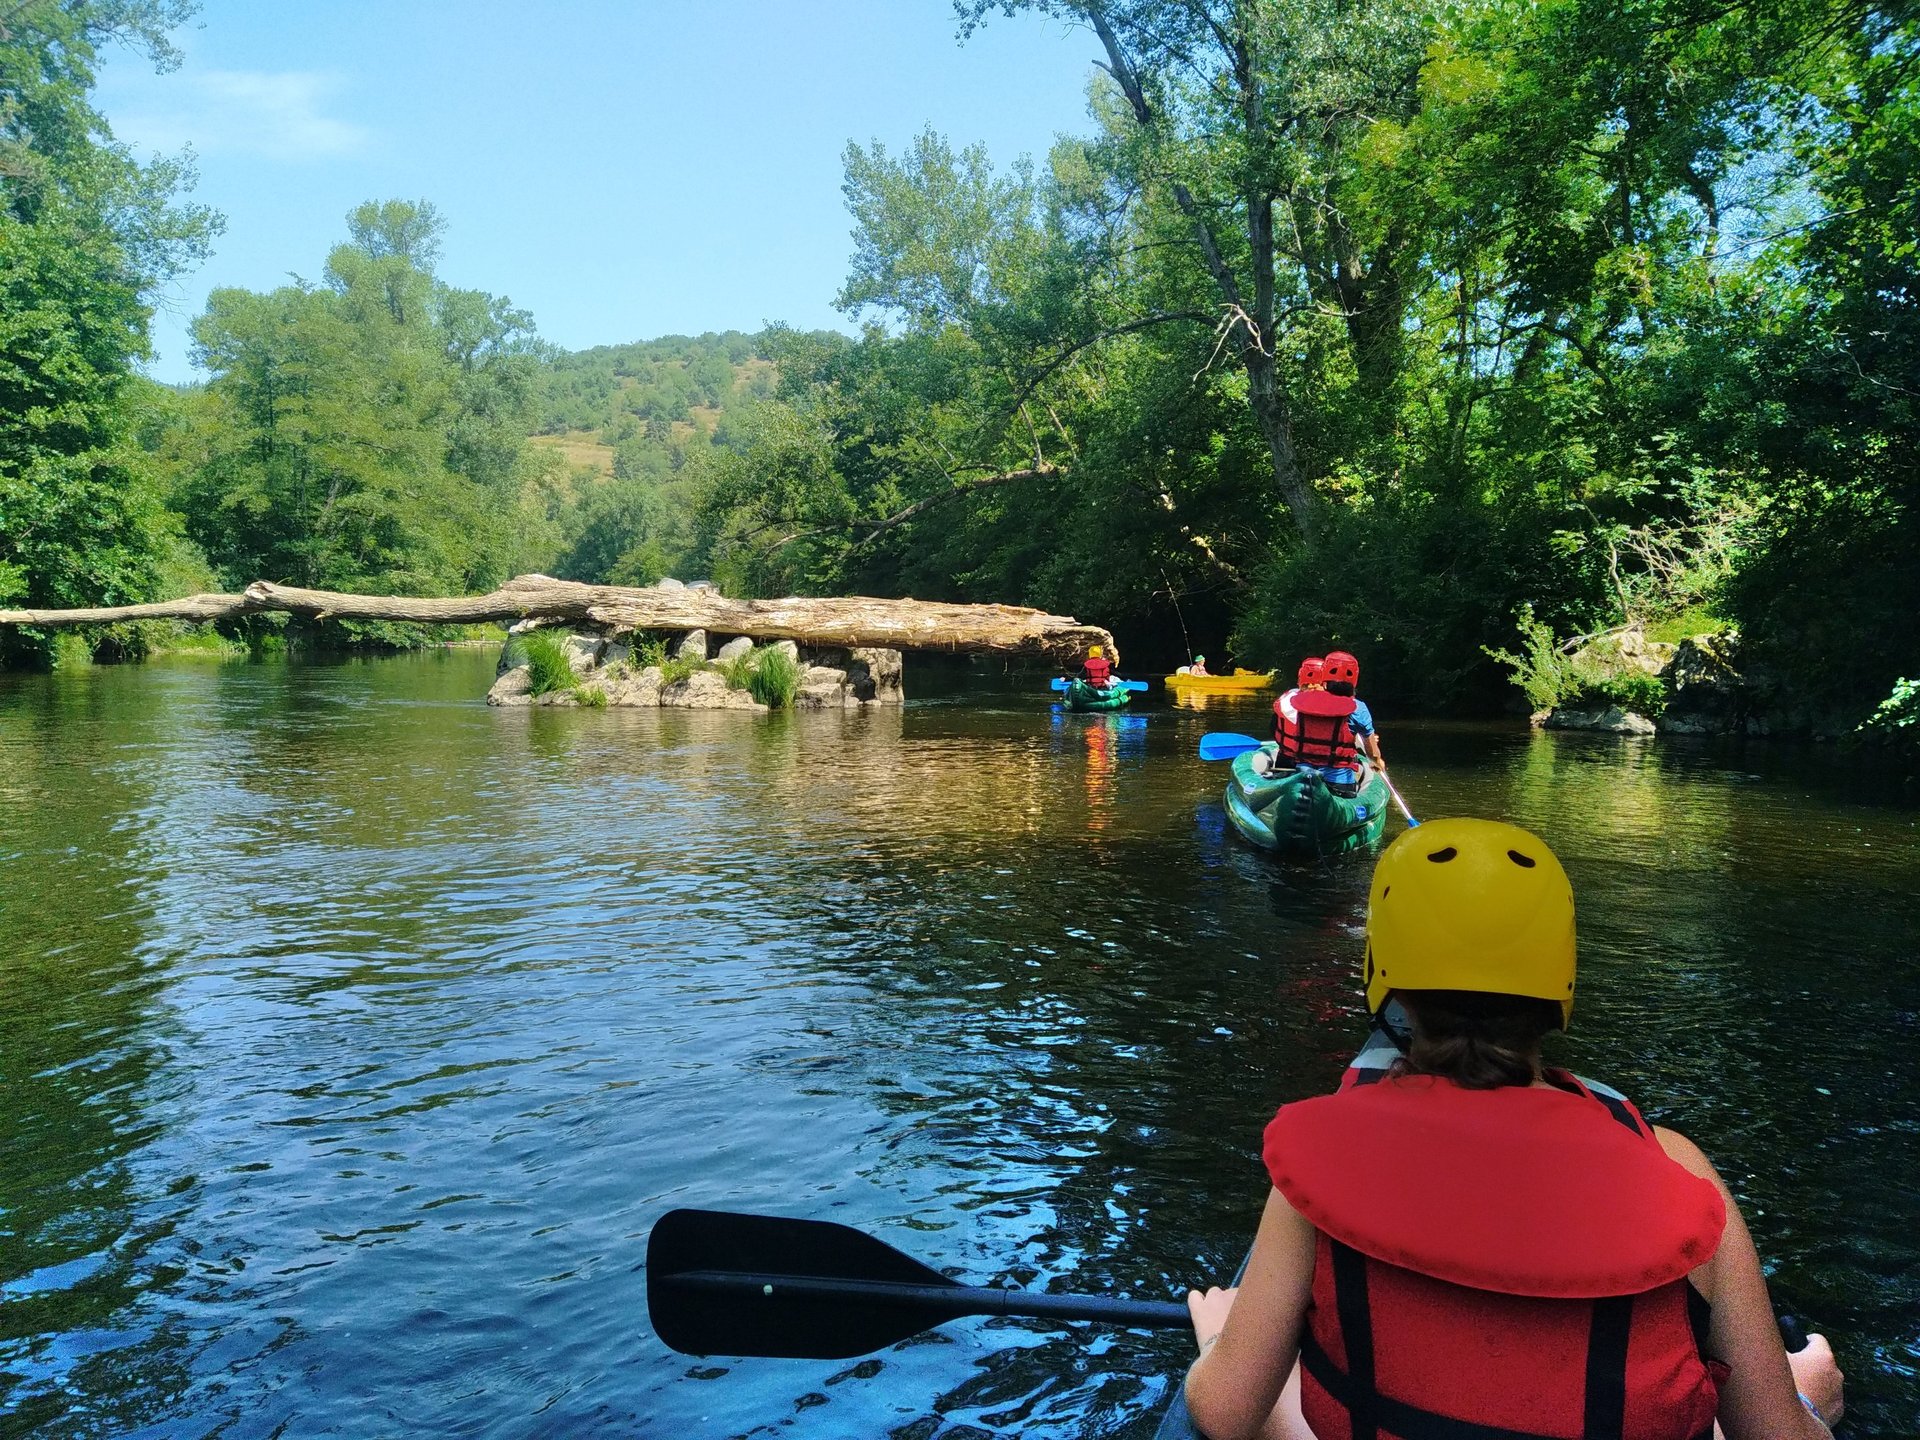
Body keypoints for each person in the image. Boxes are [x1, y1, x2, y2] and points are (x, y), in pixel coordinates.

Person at [1180, 819, 1846, 1440]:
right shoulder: (1679, 1171)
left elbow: (1226, 1412)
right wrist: (1807, 1400)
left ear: (1386, 978)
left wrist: (1220, 1339)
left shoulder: (1317, 1163)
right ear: (1560, 981)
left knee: (1286, 1384)